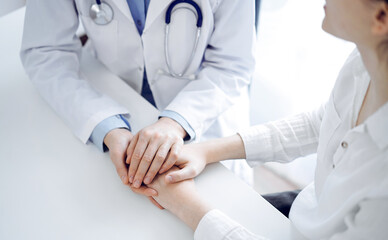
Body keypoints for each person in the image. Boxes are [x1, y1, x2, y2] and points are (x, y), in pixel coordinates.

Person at [134, 0, 388, 238]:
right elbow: (322, 123)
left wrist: (186, 205)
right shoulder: (364, 61)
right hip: (307, 211)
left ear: (381, 17)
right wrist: (206, 151)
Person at [20, 0, 256, 192]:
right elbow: (45, 50)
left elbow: (232, 64)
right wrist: (106, 125)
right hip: (109, 95)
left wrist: (177, 121)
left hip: (204, 109)